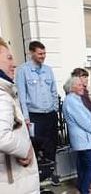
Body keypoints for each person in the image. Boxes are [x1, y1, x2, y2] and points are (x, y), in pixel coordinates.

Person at [16, 41, 59, 185]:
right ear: (31, 53)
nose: (43, 56)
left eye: (44, 53)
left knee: (52, 144)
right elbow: (22, 96)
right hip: (35, 116)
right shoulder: (23, 70)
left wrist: (55, 109)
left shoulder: (48, 69)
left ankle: (51, 172)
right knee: (35, 146)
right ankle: (35, 177)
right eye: (40, 53)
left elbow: (54, 91)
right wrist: (26, 118)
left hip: (50, 115)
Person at [0, 37, 40, 193]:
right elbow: (1, 136)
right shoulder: (2, 95)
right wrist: (25, 149)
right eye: (9, 58)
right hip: (16, 183)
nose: (14, 64)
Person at [62, 77, 91, 194]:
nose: (82, 87)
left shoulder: (75, 99)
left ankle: (81, 187)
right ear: (72, 87)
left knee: (83, 164)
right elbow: (83, 121)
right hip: (83, 139)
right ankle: (84, 190)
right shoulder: (71, 101)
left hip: (83, 139)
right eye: (79, 85)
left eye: (82, 85)